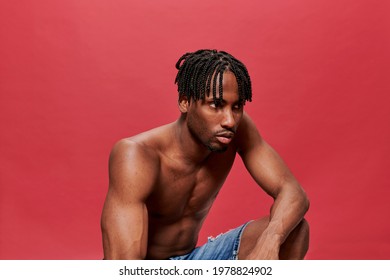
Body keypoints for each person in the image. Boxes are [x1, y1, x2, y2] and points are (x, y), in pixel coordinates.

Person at [101, 49, 310, 260]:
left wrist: (270, 240)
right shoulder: (136, 155)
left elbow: (293, 192)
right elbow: (122, 265)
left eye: (237, 107)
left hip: (193, 260)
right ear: (185, 102)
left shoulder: (236, 130)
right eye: (216, 105)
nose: (229, 120)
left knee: (295, 231)